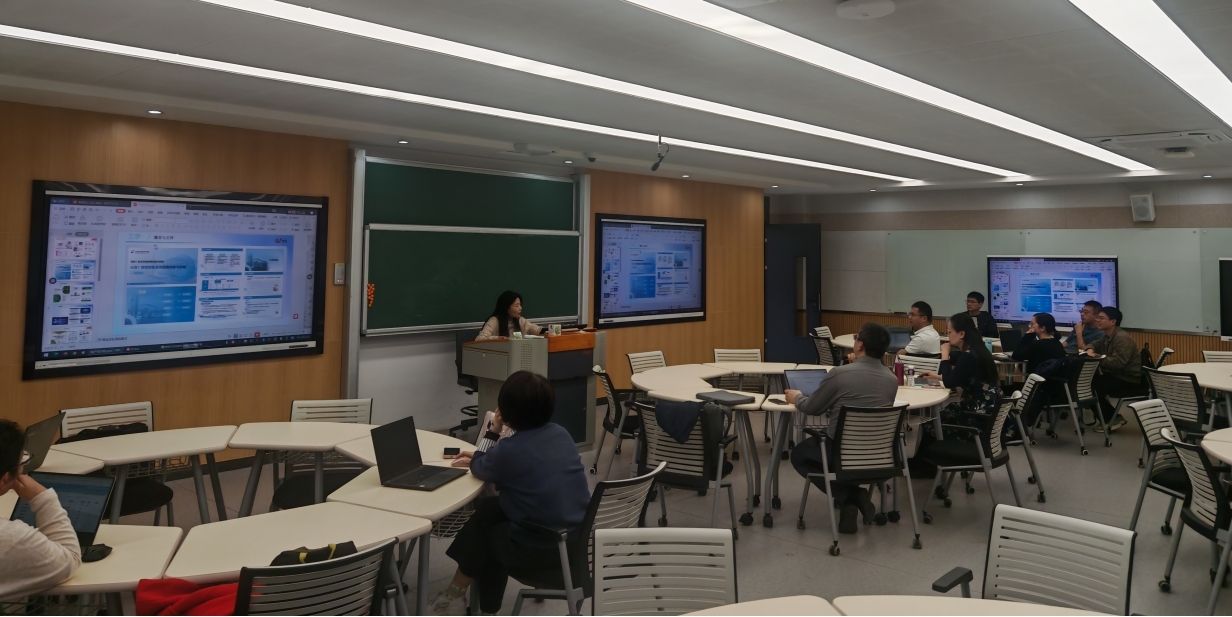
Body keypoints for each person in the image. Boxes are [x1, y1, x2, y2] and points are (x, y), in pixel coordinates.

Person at [431, 371, 590, 615]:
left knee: (486, 536)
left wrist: (493, 432)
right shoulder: (561, 433)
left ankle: (468, 601)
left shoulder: (510, 450)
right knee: (487, 511)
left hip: (545, 547)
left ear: (506, 412)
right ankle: (460, 594)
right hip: (578, 541)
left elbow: (479, 468)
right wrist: (488, 457)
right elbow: (507, 462)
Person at [784, 322, 897, 534]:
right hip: (879, 455)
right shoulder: (892, 379)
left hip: (841, 453)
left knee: (800, 455)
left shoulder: (840, 374)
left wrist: (796, 397)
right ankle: (852, 500)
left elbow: (813, 408)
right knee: (838, 456)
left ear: (860, 345)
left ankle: (851, 497)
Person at [0, 420, 82, 600]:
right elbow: (70, 559)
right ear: (5, 478)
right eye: (22, 461)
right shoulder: (12, 537)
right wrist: (44, 498)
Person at [921, 313, 999, 415]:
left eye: (949, 332)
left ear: (961, 334)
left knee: (934, 417)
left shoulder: (968, 355)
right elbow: (958, 377)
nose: (947, 336)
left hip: (977, 413)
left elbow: (949, 383)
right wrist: (937, 377)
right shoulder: (979, 349)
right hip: (990, 407)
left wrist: (945, 355)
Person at [1087, 306, 1143, 431]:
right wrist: (1090, 349)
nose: (1097, 320)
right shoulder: (1107, 335)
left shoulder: (1122, 338)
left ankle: (1112, 419)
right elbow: (1095, 344)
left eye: (1101, 318)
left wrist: (1096, 357)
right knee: (1088, 383)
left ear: (1113, 321)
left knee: (1090, 388)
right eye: (1097, 318)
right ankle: (1110, 417)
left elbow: (1118, 363)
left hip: (1128, 379)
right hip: (1116, 374)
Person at [475, 290, 544, 341]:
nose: (520, 308)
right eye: (516, 306)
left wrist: (547, 330)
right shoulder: (494, 321)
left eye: (520, 305)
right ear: (506, 307)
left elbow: (537, 330)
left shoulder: (521, 320)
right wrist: (498, 338)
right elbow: (479, 339)